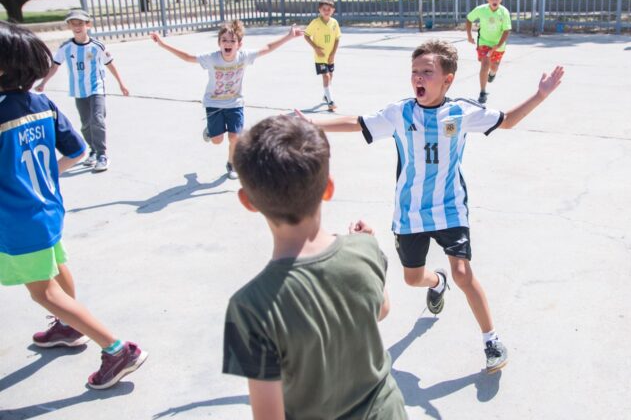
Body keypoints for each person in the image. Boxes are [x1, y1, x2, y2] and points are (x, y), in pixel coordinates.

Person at [305, 39, 564, 373]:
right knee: (413, 279)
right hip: (410, 212)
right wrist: (313, 124)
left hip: (450, 207)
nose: (419, 77)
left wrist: (541, 95)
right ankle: (436, 283)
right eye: (415, 71)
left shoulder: (461, 113)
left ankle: (491, 340)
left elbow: (508, 120)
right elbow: (357, 122)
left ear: (447, 79)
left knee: (463, 273)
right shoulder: (399, 113)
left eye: (427, 72)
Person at [222, 115, 407, 419]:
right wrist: (366, 245)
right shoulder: (365, 250)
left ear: (247, 202)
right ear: (328, 188)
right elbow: (381, 310)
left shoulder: (249, 307)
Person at [0, 21, 147, 390]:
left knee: (43, 291)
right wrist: (48, 176)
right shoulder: (42, 103)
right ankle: (68, 325)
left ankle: (117, 349)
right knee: (58, 263)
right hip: (47, 208)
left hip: (18, 220)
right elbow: (79, 151)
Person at [150, 21, 301, 180]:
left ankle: (231, 164)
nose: (228, 44)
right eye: (224, 40)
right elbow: (188, 57)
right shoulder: (212, 58)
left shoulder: (244, 57)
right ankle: (211, 130)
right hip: (214, 104)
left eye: (232, 41)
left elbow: (268, 47)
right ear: (219, 43)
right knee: (217, 140)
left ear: (239, 44)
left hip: (235, 103)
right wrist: (163, 44)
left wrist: (289, 36)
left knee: (235, 137)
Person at [36, 9, 130, 172]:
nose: (77, 27)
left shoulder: (97, 46)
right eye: (73, 24)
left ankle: (102, 154)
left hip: (96, 88)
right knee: (86, 124)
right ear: (69, 26)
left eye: (80, 23)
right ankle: (93, 150)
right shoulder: (66, 47)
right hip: (79, 91)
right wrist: (43, 83)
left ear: (88, 25)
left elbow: (110, 64)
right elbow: (55, 66)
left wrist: (121, 83)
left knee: (97, 119)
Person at [466, 0, 512, 104]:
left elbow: (506, 31)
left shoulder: (504, 12)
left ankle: (492, 73)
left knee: (494, 66)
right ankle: (483, 92)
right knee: (485, 64)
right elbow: (469, 19)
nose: (494, 0)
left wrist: (497, 46)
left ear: (501, 0)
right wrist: (469, 35)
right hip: (484, 42)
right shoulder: (481, 10)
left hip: (498, 44)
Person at [303, 0, 342, 111]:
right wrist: (316, 48)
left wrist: (333, 54)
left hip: (330, 56)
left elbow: (337, 38)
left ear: (333, 10)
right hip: (320, 56)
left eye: (329, 9)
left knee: (330, 75)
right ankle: (330, 101)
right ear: (319, 10)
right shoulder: (315, 23)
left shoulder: (334, 23)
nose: (326, 11)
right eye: (324, 9)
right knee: (326, 76)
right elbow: (306, 35)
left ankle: (326, 95)